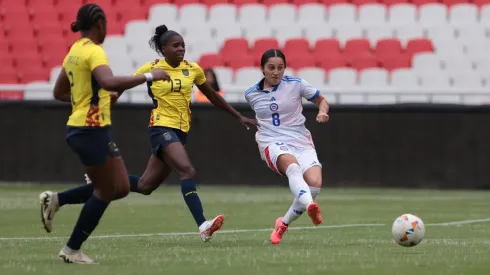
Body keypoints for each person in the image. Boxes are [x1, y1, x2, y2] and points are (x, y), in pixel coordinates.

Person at [41, 24, 258, 244]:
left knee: (145, 186)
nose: (181, 48)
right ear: (163, 49)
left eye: (183, 45)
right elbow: (123, 85)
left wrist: (237, 115)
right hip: (161, 128)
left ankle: (63, 197)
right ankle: (203, 225)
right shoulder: (152, 68)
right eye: (176, 45)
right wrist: (112, 97)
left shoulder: (193, 69)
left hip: (181, 132)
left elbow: (211, 95)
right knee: (187, 170)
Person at [40, 4, 170, 264]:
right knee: (106, 189)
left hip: (89, 127)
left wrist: (93, 100)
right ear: (99, 23)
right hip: (89, 130)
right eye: (106, 23)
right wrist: (149, 76)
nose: (107, 28)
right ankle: (72, 250)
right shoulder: (94, 51)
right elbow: (108, 81)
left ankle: (56, 200)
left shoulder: (74, 51)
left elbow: (59, 92)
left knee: (120, 187)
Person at [244, 49, 330, 245]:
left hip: (300, 139)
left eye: (280, 68)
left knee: (315, 184)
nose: (276, 72)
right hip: (271, 141)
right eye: (271, 68)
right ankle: (310, 206)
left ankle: (283, 223)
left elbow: (321, 100)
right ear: (262, 69)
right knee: (292, 167)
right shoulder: (251, 94)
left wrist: (323, 112)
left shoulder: (296, 84)